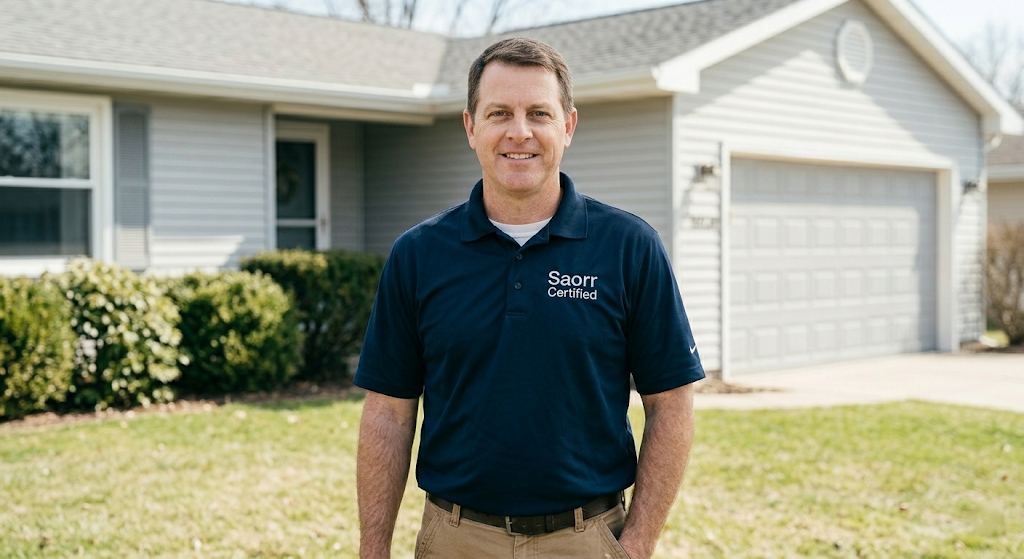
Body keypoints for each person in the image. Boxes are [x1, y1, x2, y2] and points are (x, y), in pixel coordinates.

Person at [354, 37, 705, 559]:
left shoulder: (629, 248)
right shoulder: (419, 254)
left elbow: (671, 403)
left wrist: (636, 545)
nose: (520, 132)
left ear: (568, 126)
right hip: (455, 539)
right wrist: (373, 548)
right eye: (500, 113)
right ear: (471, 127)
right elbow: (388, 411)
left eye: (538, 113)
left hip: (588, 538)